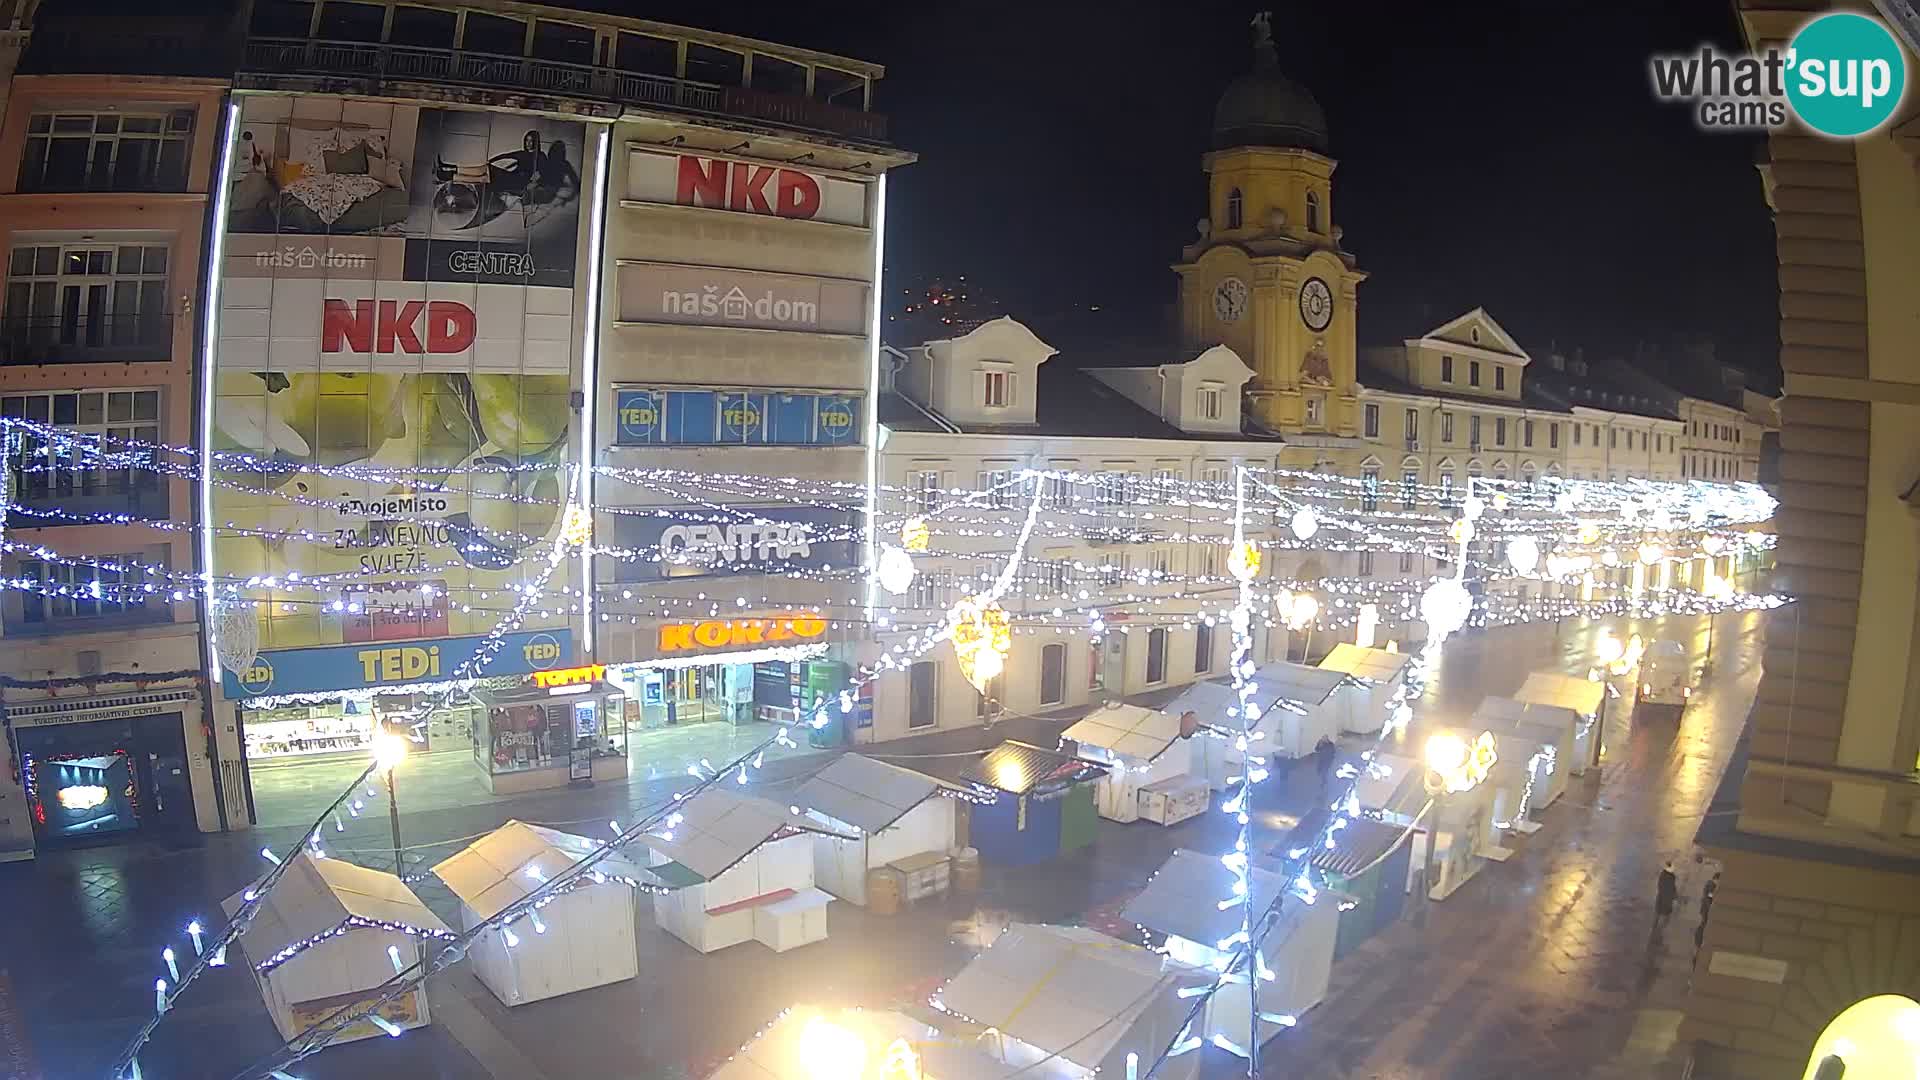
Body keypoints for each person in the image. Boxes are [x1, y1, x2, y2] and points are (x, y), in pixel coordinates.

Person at [1655, 860, 1679, 932]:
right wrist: (1674, 897)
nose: (1674, 868)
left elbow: (1661, 886)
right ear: (1670, 867)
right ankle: (1658, 930)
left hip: (1663, 899)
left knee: (1660, 914)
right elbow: (1671, 888)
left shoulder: (1665, 875)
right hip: (1666, 900)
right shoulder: (1669, 876)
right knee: (1664, 915)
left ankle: (1657, 928)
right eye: (1673, 866)